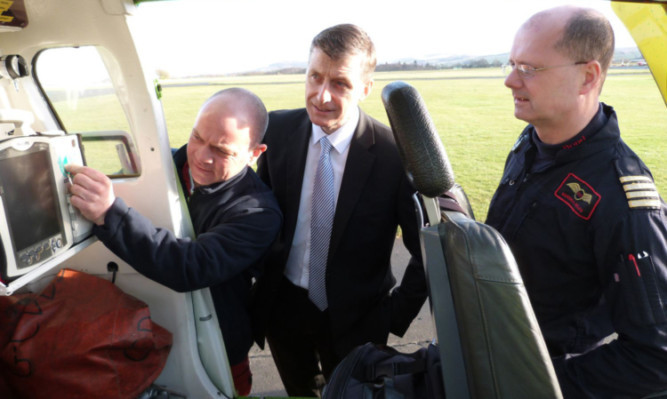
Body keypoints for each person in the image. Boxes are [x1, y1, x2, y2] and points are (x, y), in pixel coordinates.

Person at [485, 6, 667, 398]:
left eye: (529, 69)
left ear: (588, 76)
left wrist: (536, 387)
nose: (509, 80)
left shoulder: (624, 198)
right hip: (491, 354)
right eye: (512, 63)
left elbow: (655, 355)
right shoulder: (530, 145)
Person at [66, 88, 282, 396]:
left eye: (222, 151)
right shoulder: (163, 167)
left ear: (255, 153)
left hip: (215, 343)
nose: (201, 157)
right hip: (146, 326)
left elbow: (189, 266)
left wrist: (109, 213)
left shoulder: (259, 213)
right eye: (197, 137)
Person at [253, 24, 427, 397]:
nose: (321, 95)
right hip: (284, 311)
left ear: (365, 88)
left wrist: (394, 315)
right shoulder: (277, 132)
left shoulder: (394, 155)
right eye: (314, 77)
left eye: (340, 83)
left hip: (358, 322)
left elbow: (426, 250)